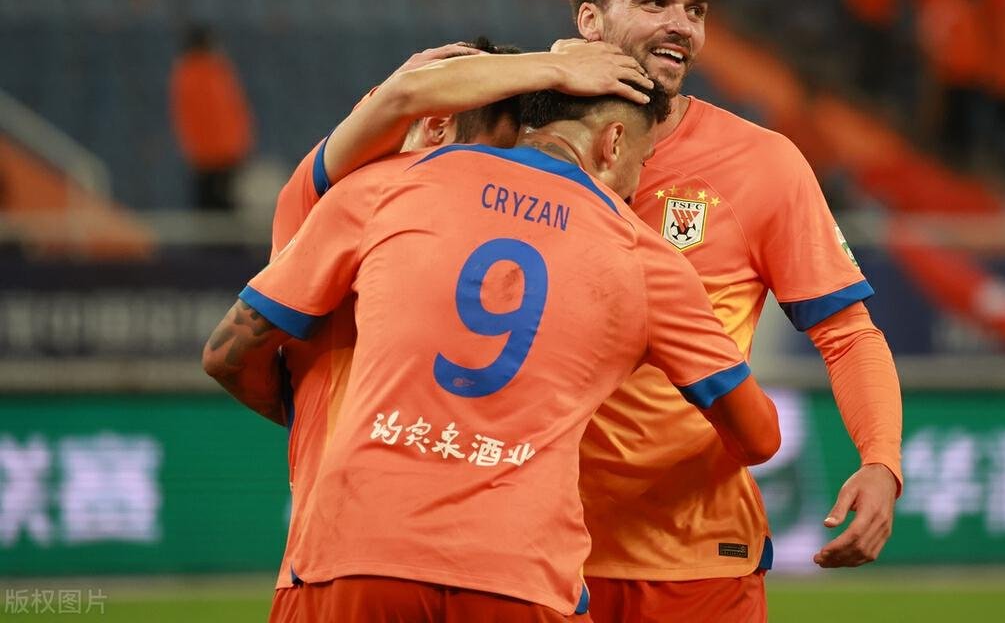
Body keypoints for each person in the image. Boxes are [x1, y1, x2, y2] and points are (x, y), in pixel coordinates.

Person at [202, 85, 781, 622]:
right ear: (613, 142)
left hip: (353, 551)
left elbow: (228, 356)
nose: (638, 183)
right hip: (519, 570)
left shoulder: (391, 185)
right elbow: (758, 437)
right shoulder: (645, 258)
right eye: (643, 159)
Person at [207, 36, 656, 596]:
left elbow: (228, 358)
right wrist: (557, 67)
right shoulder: (337, 192)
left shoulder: (465, 227)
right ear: (439, 126)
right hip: (358, 560)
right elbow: (399, 99)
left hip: (361, 560)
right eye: (498, 153)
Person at [565, 0, 903, 621]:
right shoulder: (513, 148)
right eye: (654, 2)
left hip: (700, 562)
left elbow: (848, 334)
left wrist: (881, 460)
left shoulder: (762, 163)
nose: (681, 25)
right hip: (542, 554)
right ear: (589, 20)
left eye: (695, 9)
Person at [169, 23, 255, 210]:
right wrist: (239, 147)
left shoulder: (187, 74)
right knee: (221, 213)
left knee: (210, 212)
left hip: (206, 159)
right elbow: (232, 113)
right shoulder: (214, 72)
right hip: (221, 157)